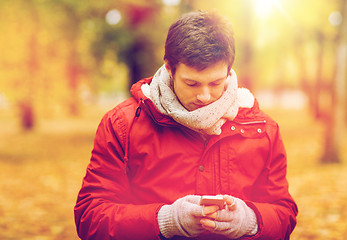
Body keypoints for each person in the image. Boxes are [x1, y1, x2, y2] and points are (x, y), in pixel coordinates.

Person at [74, 10, 298, 240]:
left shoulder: (263, 129)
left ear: (229, 70)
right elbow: (90, 216)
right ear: (169, 68)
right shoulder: (123, 124)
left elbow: (284, 214)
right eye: (191, 83)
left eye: (216, 82)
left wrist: (249, 220)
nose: (205, 96)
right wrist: (166, 220)